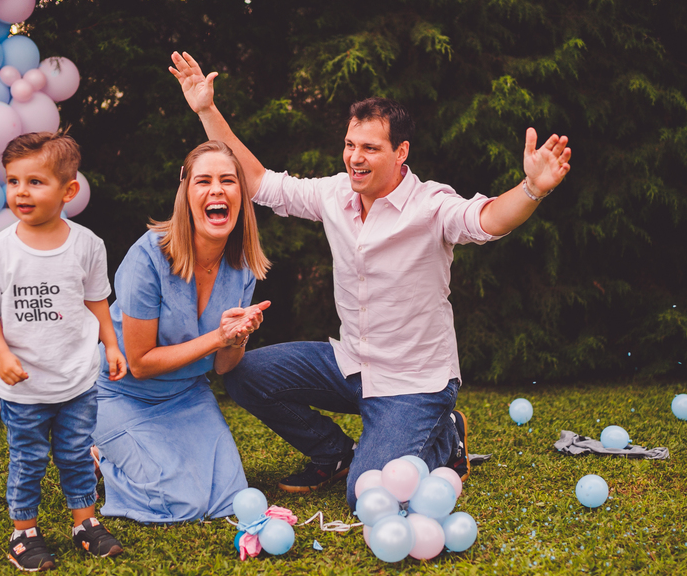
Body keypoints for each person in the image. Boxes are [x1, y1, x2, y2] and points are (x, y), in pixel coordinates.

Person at [169, 51, 573, 509]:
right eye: (349, 145)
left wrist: (533, 188)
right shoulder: (335, 193)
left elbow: (489, 219)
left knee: (366, 496)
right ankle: (334, 454)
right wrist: (206, 109)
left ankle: (446, 434)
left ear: (401, 152)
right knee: (242, 374)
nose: (354, 159)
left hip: (413, 382)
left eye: (369, 149)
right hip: (353, 364)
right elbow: (259, 181)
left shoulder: (432, 205)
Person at [0, 131, 128, 572]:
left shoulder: (87, 245)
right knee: (29, 459)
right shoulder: (0, 251)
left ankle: (85, 523)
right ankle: (24, 534)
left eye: (35, 182)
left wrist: (110, 344)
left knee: (77, 453)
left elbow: (97, 301)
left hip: (77, 378)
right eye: (13, 181)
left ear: (68, 191)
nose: (21, 191)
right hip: (25, 387)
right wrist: (1, 356)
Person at [93, 140, 272, 523]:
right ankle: (96, 451)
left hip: (186, 395)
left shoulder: (242, 265)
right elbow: (139, 364)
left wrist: (238, 336)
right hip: (121, 392)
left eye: (228, 180)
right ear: (186, 194)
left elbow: (223, 367)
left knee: (229, 499)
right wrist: (219, 338)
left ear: (241, 193)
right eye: (203, 181)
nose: (217, 190)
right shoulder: (147, 258)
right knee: (181, 504)